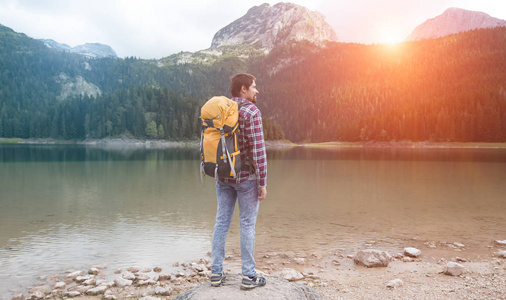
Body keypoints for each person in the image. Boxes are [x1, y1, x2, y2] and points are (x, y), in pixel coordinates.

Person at [210, 73, 268, 290]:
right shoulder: (251, 111)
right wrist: (262, 181)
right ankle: (249, 277)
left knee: (221, 223)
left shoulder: (222, 109)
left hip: (222, 176)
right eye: (254, 86)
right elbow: (258, 149)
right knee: (247, 224)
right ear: (243, 89)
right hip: (246, 179)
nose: (257, 90)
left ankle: (216, 273)